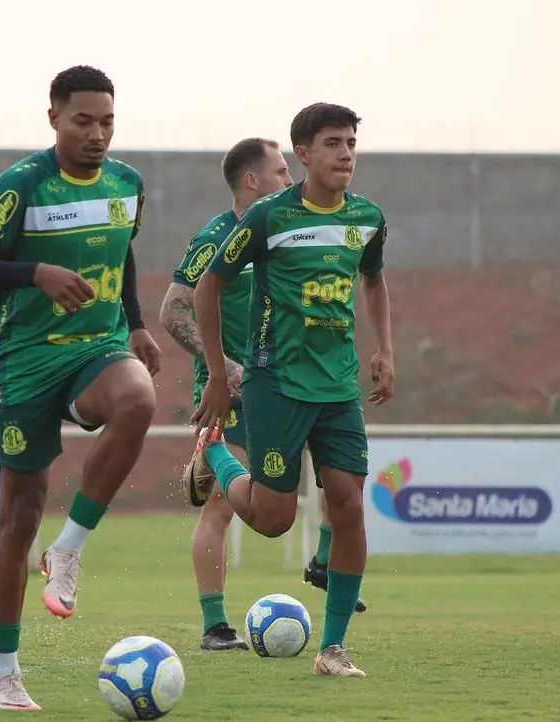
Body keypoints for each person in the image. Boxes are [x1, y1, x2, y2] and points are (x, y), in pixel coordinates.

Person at [0, 65, 163, 711]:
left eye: (107, 122)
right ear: (54, 119)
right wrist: (35, 272)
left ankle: (68, 549)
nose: (97, 134)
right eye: (83, 121)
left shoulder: (127, 184)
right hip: (24, 362)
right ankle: (3, 674)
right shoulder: (22, 184)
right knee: (18, 517)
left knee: (139, 398)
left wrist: (135, 322)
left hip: (96, 346)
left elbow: (121, 250)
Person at [187, 102, 396, 678]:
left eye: (351, 143)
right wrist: (218, 377)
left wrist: (384, 349)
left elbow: (374, 279)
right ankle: (215, 452)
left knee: (349, 504)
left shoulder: (368, 217)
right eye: (333, 143)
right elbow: (206, 290)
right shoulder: (268, 217)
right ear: (302, 154)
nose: (346, 154)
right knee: (273, 518)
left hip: (338, 388)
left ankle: (333, 650)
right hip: (276, 383)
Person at [159, 137, 291, 652]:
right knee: (220, 508)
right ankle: (215, 626)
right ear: (252, 181)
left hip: (286, 389)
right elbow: (172, 310)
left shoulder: (289, 233)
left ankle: (330, 566)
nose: (290, 179)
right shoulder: (216, 238)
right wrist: (223, 365)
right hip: (229, 392)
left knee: (331, 479)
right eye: (281, 171)